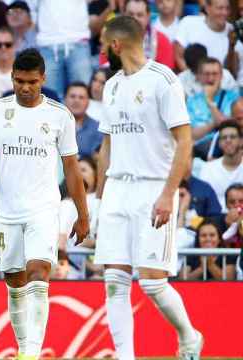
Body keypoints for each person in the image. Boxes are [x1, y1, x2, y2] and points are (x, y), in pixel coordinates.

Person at [95, 16, 202, 359]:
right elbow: (106, 146)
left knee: (153, 282)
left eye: (102, 43)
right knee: (114, 281)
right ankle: (125, 356)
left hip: (153, 187)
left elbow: (184, 141)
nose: (99, 49)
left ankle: (189, 335)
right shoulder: (110, 86)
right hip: (116, 189)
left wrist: (169, 193)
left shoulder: (162, 80)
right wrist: (99, 199)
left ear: (116, 44)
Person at [0, 48, 89, 359]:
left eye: (32, 82)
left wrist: (82, 214)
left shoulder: (59, 115)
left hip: (43, 209)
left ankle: (32, 353)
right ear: (11, 78)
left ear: (43, 79)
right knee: (15, 282)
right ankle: (25, 346)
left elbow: (73, 170)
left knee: (39, 272)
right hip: (7, 211)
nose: (25, 88)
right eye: (20, 81)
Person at [64, 81, 103, 157]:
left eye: (81, 97)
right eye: (72, 96)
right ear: (65, 99)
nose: (76, 100)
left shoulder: (98, 129)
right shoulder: (53, 126)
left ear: (88, 102)